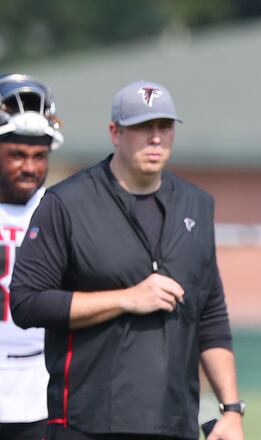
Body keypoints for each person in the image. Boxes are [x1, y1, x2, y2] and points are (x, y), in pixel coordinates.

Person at [9, 80, 244, 440]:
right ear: (115, 133)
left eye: (163, 127)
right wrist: (126, 299)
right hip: (86, 423)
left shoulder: (197, 204)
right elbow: (26, 303)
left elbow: (210, 315)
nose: (155, 138)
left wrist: (230, 409)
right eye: (142, 128)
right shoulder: (66, 203)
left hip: (175, 424)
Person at [0, 74, 63, 440]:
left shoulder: (62, 211)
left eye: (40, 156)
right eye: (17, 155)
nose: (30, 168)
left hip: (42, 384)